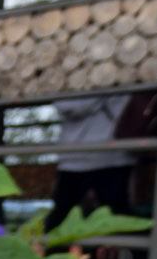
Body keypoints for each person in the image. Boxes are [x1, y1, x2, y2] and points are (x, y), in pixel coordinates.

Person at [45, 94, 134, 230]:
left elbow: (69, 106)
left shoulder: (108, 78)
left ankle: (144, 250)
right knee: (62, 215)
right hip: (81, 157)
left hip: (106, 156)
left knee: (118, 214)